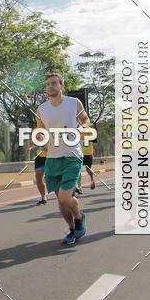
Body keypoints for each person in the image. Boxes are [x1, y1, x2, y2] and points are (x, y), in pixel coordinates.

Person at [35, 72, 89, 246]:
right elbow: (40, 131)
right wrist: (38, 139)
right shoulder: (41, 109)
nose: (50, 86)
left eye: (54, 83)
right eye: (47, 84)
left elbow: (85, 119)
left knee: (65, 198)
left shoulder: (74, 103)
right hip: (52, 158)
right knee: (61, 201)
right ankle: (72, 229)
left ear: (61, 85)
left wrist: (81, 128)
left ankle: (79, 218)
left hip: (72, 156)